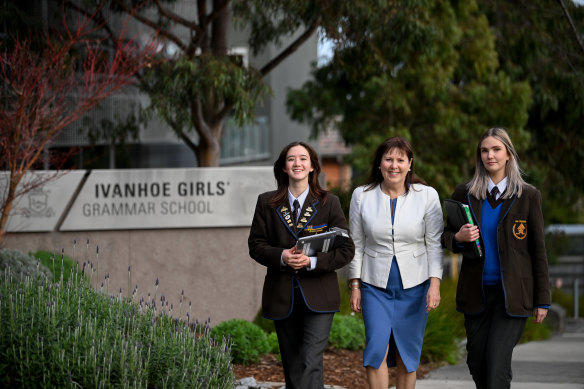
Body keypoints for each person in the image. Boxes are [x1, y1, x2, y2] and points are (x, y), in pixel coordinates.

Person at [441, 127, 550, 389]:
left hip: (512, 296)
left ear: (509, 154)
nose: (490, 155)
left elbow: (538, 251)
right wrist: (458, 238)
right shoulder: (465, 193)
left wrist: (542, 301)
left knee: (497, 363)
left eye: (496, 149)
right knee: (477, 363)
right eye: (485, 150)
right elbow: (444, 236)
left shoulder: (528, 196)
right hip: (475, 294)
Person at [248, 141, 355, 389]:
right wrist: (282, 256)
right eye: (291, 159)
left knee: (311, 360)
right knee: (292, 365)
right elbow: (256, 245)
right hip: (282, 294)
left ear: (312, 167)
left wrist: (313, 261)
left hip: (319, 296)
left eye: (303, 158)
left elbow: (346, 249)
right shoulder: (267, 202)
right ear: (284, 167)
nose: (297, 163)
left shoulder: (330, 203)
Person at [346, 137, 444, 389]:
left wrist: (435, 285)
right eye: (388, 159)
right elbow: (356, 244)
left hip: (416, 286)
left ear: (410, 164)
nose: (394, 165)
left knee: (407, 353)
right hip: (373, 286)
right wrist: (354, 285)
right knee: (376, 348)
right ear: (379, 163)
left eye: (400, 160)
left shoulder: (427, 195)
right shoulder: (361, 196)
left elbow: (434, 244)